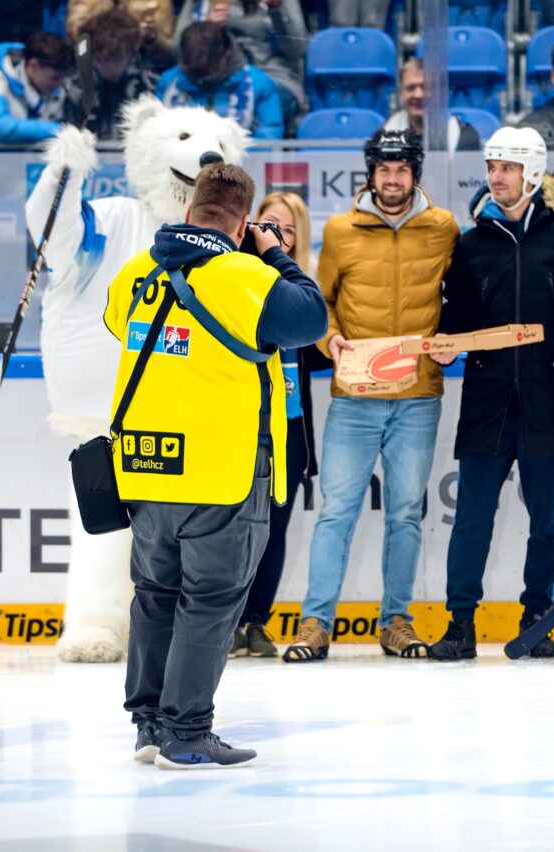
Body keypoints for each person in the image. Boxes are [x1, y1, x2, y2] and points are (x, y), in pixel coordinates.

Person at [105, 162, 326, 768]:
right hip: (221, 471)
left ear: (188, 209)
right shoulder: (245, 276)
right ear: (242, 220)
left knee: (153, 594)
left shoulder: (137, 271)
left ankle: (149, 725)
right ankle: (187, 732)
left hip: (147, 467)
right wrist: (276, 256)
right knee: (210, 600)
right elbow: (310, 318)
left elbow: (114, 324)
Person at [426, 126, 554, 661]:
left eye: (506, 168)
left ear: (532, 173)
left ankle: (537, 615)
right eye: (491, 168)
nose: (495, 177)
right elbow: (455, 318)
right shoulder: (472, 243)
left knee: (545, 519)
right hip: (487, 401)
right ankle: (460, 622)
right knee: (472, 517)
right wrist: (445, 344)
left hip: (548, 399)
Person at [283, 130, 459, 663]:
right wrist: (327, 338)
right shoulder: (340, 231)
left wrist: (450, 335)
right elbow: (321, 303)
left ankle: (396, 621)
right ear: (370, 172)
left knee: (406, 512)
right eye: (384, 169)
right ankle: (315, 623)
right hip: (355, 395)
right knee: (336, 511)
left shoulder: (443, 228)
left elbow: (460, 296)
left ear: (415, 173)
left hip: (418, 394)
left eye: (402, 169)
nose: (392, 178)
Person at [229, 191, 325, 658]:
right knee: (231, 529)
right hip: (239, 428)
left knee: (273, 530)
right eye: (268, 224)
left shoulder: (303, 291)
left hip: (288, 432)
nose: (276, 236)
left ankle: (256, 621)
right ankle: (225, 621)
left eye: (287, 229)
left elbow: (322, 346)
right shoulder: (234, 281)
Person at [175, 0, 310, 127]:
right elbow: (177, 50)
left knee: (259, 104)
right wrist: (206, 30)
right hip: (209, 80)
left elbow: (297, 49)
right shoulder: (199, 3)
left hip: (270, 76)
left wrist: (277, 10)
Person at [157, 21, 284, 139]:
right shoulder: (168, 82)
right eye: (195, 70)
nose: (202, 77)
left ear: (227, 52)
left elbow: (269, 138)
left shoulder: (259, 83)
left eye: (209, 68)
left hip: (241, 160)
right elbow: (154, 134)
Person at [0, 31, 73, 143]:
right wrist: (60, 130)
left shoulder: (53, 90)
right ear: (33, 65)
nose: (59, 84)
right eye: (54, 78)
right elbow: (1, 129)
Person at [63, 9, 158, 139]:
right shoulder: (74, 89)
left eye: (118, 59)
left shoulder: (148, 86)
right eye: (103, 60)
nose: (110, 68)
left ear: (131, 53)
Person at [384, 58, 482, 152]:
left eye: (426, 87)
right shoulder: (386, 133)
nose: (418, 95)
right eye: (411, 88)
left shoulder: (465, 137)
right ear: (401, 92)